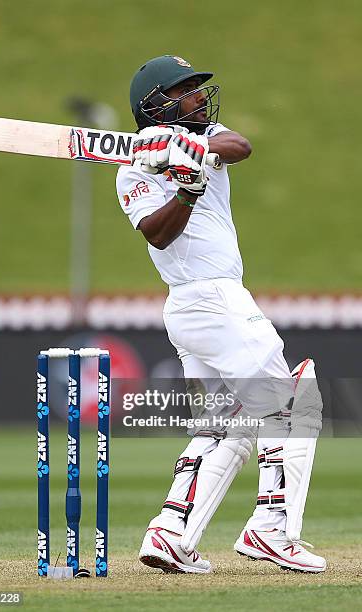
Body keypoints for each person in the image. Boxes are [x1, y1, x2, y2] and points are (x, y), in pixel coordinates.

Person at [116, 55, 325, 574]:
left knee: (221, 427)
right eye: (186, 90)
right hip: (204, 299)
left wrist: (193, 150)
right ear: (158, 101)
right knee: (290, 399)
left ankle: (170, 533)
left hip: (210, 302)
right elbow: (158, 233)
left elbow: (241, 146)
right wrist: (185, 188)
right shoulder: (130, 170)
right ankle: (271, 529)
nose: (198, 97)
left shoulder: (207, 134)